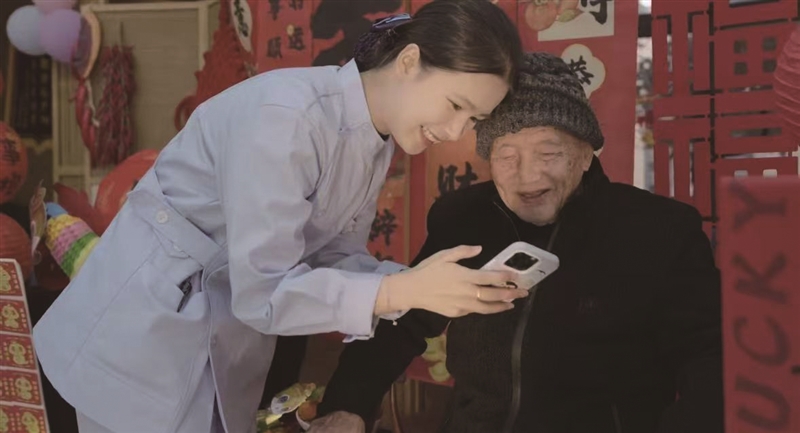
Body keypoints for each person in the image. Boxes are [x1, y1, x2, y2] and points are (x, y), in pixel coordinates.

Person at [31, 2, 527, 432]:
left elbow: (330, 254)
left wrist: (420, 282)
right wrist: (402, 290)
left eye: (474, 120)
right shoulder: (288, 116)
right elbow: (264, 292)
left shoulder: (373, 137)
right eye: (455, 105)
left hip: (213, 330)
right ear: (409, 61)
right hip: (144, 332)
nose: (457, 131)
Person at [310, 52, 724, 433]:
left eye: (548, 154)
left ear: (586, 155)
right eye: (507, 156)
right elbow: (405, 320)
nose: (528, 177)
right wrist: (349, 405)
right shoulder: (464, 219)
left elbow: (708, 357)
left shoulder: (658, 231)